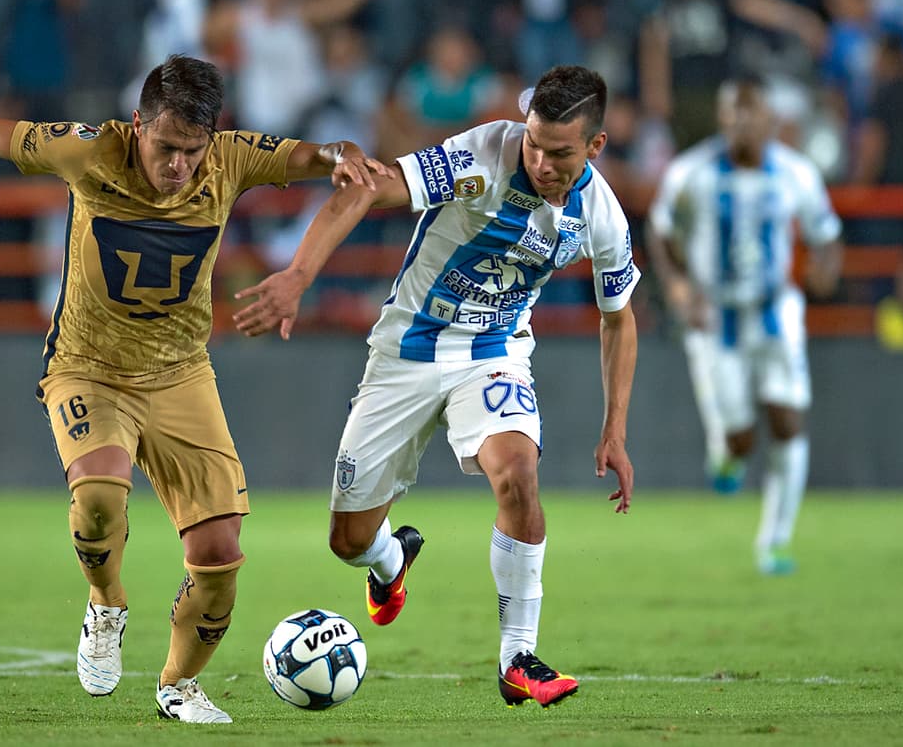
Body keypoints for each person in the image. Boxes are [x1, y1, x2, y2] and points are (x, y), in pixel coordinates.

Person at [0, 55, 383, 724]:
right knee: (101, 498)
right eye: (167, 146)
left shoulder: (231, 159)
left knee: (219, 554)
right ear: (138, 125)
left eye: (192, 151)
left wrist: (342, 158)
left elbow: (328, 158)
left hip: (179, 372)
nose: (179, 165)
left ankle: (177, 684)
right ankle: (106, 601)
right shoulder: (88, 151)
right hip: (89, 366)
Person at [233, 65, 638, 708]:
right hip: (406, 353)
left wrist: (615, 427)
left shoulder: (602, 217)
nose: (539, 160)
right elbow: (370, 187)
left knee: (517, 472)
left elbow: (618, 319)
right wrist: (298, 276)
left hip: (494, 354)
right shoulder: (483, 155)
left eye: (559, 151)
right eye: (533, 142)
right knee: (348, 542)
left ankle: (518, 658)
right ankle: (391, 561)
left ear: (595, 147)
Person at [645, 72, 843, 575]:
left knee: (787, 416)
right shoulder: (693, 172)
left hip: (776, 311)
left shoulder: (796, 173)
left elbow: (825, 232)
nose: (742, 125)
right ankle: (727, 451)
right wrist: (678, 286)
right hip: (715, 317)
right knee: (741, 437)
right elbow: (660, 228)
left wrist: (825, 265)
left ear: (770, 120)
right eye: (734, 114)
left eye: (751, 114)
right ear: (722, 118)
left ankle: (775, 541)